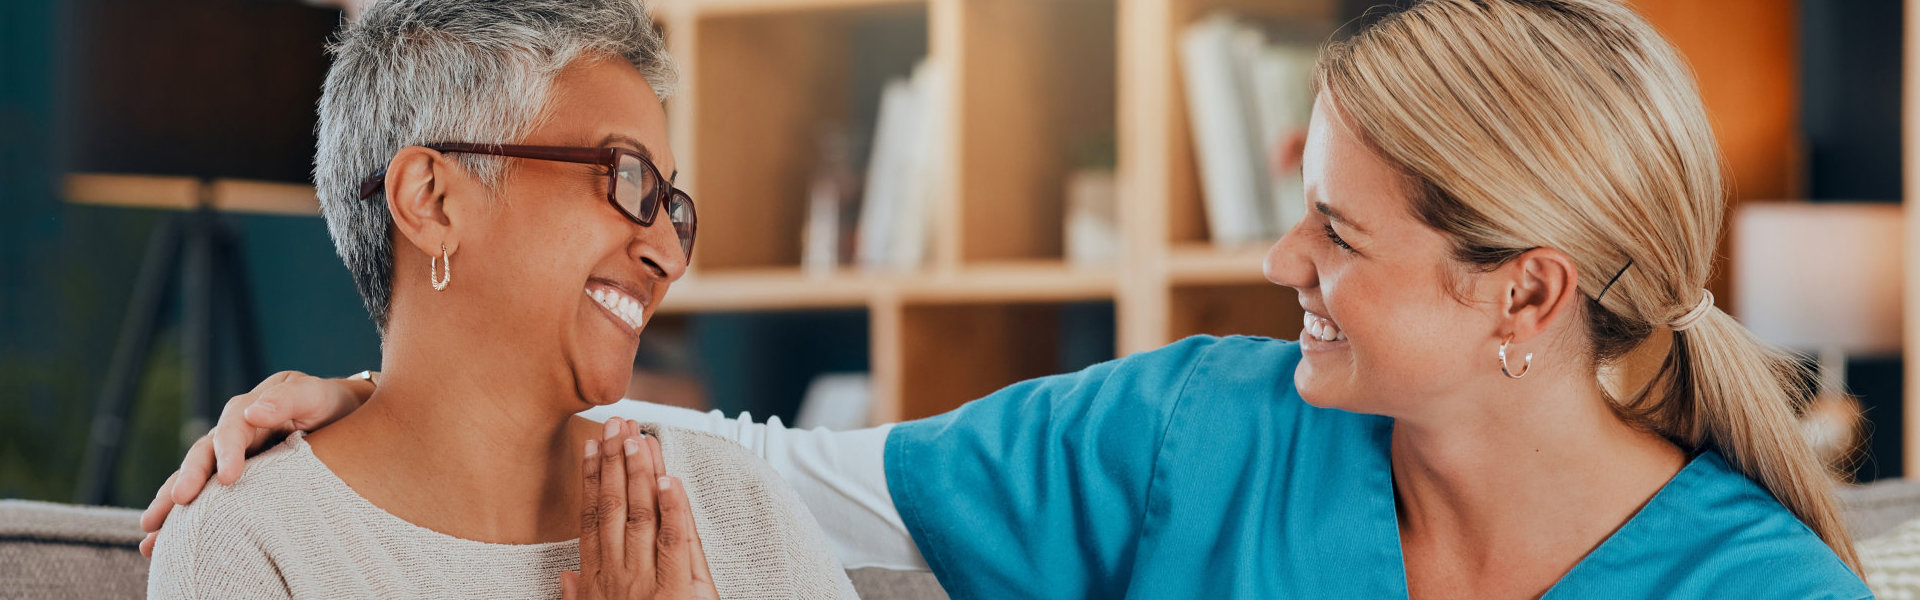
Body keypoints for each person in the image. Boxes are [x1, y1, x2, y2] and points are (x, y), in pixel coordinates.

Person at [143, 0, 1872, 597]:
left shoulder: (1757, 591)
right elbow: (777, 471)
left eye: (1339, 236)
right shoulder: (1200, 432)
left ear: (1528, 297)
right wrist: (388, 405)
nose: (1285, 271)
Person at [143, 0, 853, 598]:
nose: (668, 255)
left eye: (673, 206)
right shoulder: (251, 542)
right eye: (628, 178)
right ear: (432, 201)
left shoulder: (736, 504)